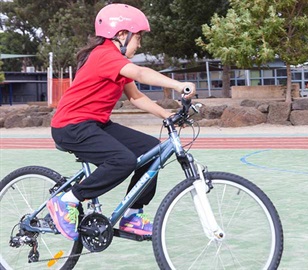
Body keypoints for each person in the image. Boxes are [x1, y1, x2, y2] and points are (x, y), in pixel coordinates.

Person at [47, 4, 196, 241]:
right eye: (138, 37)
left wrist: (166, 116)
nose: (140, 44)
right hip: (71, 125)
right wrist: (179, 85)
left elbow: (136, 96)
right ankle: (68, 200)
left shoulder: (115, 61)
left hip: (94, 124)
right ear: (121, 34)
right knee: (123, 160)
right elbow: (140, 73)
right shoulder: (104, 55)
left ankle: (132, 215)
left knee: (152, 150)